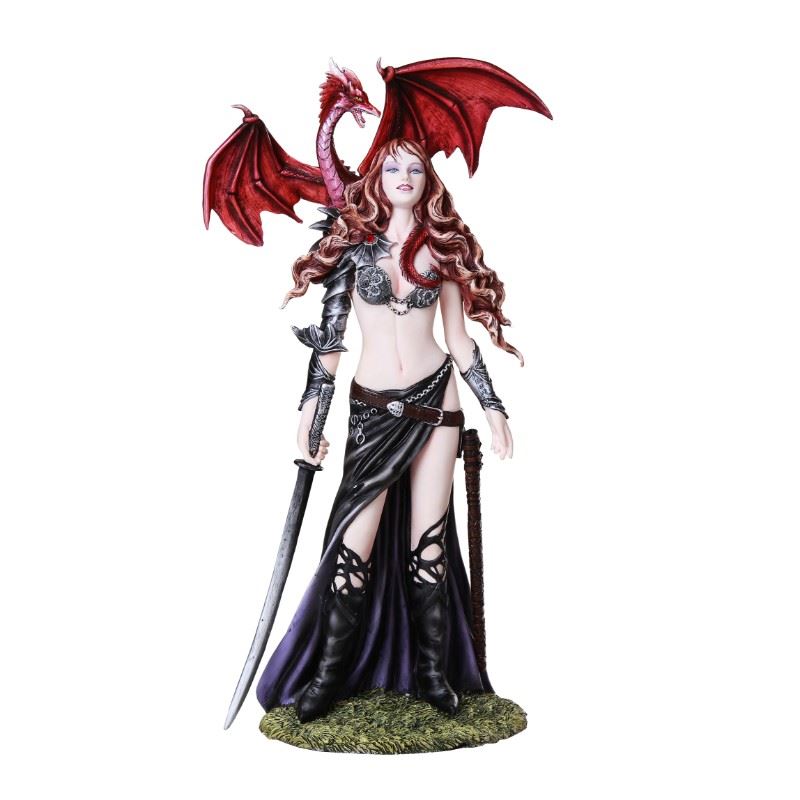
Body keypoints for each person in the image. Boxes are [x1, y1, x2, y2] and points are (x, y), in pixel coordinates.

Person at [255, 137, 519, 724]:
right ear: (376, 177)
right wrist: (310, 412)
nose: (405, 176)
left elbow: (458, 341)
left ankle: (432, 674)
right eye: (393, 166)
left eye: (416, 167)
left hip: (436, 405)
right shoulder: (350, 246)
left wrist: (493, 406)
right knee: (354, 546)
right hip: (372, 410)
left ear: (429, 179)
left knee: (428, 545)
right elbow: (330, 345)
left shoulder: (441, 249)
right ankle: (328, 675)